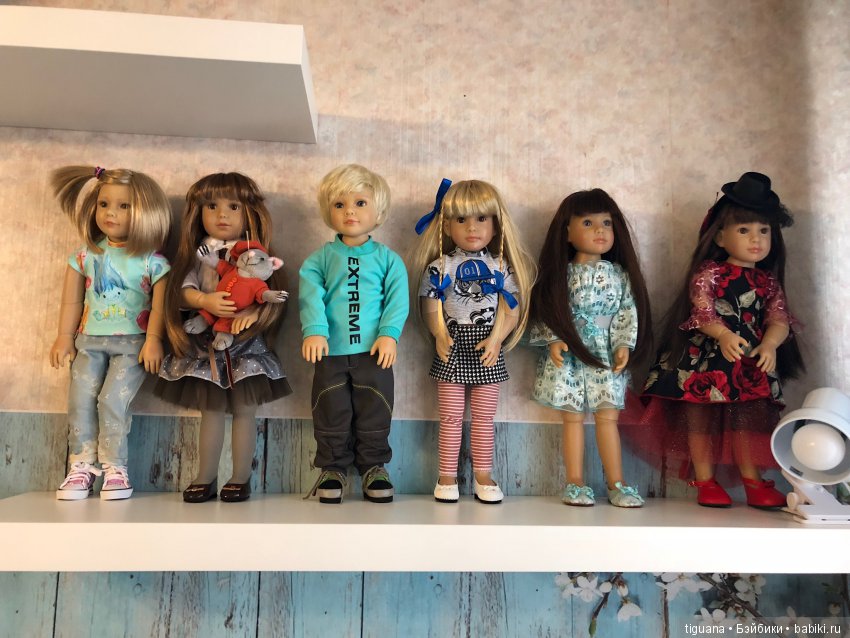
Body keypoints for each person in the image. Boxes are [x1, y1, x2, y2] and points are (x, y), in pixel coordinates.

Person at [642, 172, 804, 508]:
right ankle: (705, 480)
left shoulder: (768, 282)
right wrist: (723, 333)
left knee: (747, 423)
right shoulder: (710, 273)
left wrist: (770, 344)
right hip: (706, 360)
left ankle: (753, 481)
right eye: (744, 230)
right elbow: (702, 311)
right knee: (700, 420)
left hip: (748, 362)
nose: (756, 238)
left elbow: (778, 318)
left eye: (764, 230)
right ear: (719, 236)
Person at [156, 172, 291, 503]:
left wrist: (253, 314)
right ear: (198, 212)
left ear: (249, 212)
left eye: (233, 207)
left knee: (245, 410)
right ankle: (206, 476)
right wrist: (204, 300)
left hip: (245, 345)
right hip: (207, 345)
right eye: (211, 206)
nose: (222, 215)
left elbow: (268, 294)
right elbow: (182, 290)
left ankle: (241, 477)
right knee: (211, 411)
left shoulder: (256, 255)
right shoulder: (200, 253)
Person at [50, 165, 171, 500]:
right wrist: (64, 336)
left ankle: (115, 467)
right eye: (104, 204)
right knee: (79, 400)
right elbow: (71, 301)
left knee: (112, 401)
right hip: (88, 341)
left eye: (123, 206)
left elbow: (160, 308)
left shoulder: (153, 262)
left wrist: (154, 340)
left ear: (146, 211)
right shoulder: (85, 255)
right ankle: (81, 465)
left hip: (132, 344)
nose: (110, 213)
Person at [411, 179, 536, 504]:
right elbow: (431, 305)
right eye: (461, 219)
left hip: (487, 347)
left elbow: (510, 307)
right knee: (451, 417)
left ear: (496, 224)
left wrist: (497, 338)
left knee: (483, 418)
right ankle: (446, 475)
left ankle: (483, 474)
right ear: (446, 225)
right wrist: (440, 334)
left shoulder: (500, 267)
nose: (472, 227)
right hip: (452, 345)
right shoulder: (440, 266)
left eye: (481, 218)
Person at [529, 188, 651, 508]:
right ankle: (574, 482)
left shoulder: (619, 275)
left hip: (606, 354)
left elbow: (626, 311)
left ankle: (617, 483)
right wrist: (554, 339)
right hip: (569, 355)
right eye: (587, 223)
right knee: (572, 418)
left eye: (606, 223)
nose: (599, 230)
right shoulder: (560, 275)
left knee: (607, 417)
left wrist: (623, 343)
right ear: (566, 232)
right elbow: (547, 310)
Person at [300, 164, 408, 504]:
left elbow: (397, 299)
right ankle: (332, 468)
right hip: (330, 353)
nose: (350, 211)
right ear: (328, 211)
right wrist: (315, 331)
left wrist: (389, 334)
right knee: (330, 408)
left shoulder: (389, 260)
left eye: (360, 202)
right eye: (340, 204)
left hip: (374, 353)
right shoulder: (319, 260)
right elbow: (310, 296)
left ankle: (374, 466)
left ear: (379, 210)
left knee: (376, 408)